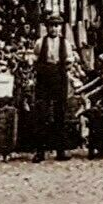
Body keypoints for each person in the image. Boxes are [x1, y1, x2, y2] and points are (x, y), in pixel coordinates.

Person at [31, 12, 75, 162]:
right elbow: (35, 58)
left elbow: (70, 60)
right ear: (47, 27)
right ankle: (40, 151)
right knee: (42, 114)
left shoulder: (65, 43)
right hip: (44, 79)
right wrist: (43, 69)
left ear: (60, 28)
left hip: (59, 78)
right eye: (51, 26)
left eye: (57, 26)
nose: (54, 29)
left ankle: (61, 151)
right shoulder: (40, 42)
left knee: (60, 115)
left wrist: (61, 69)